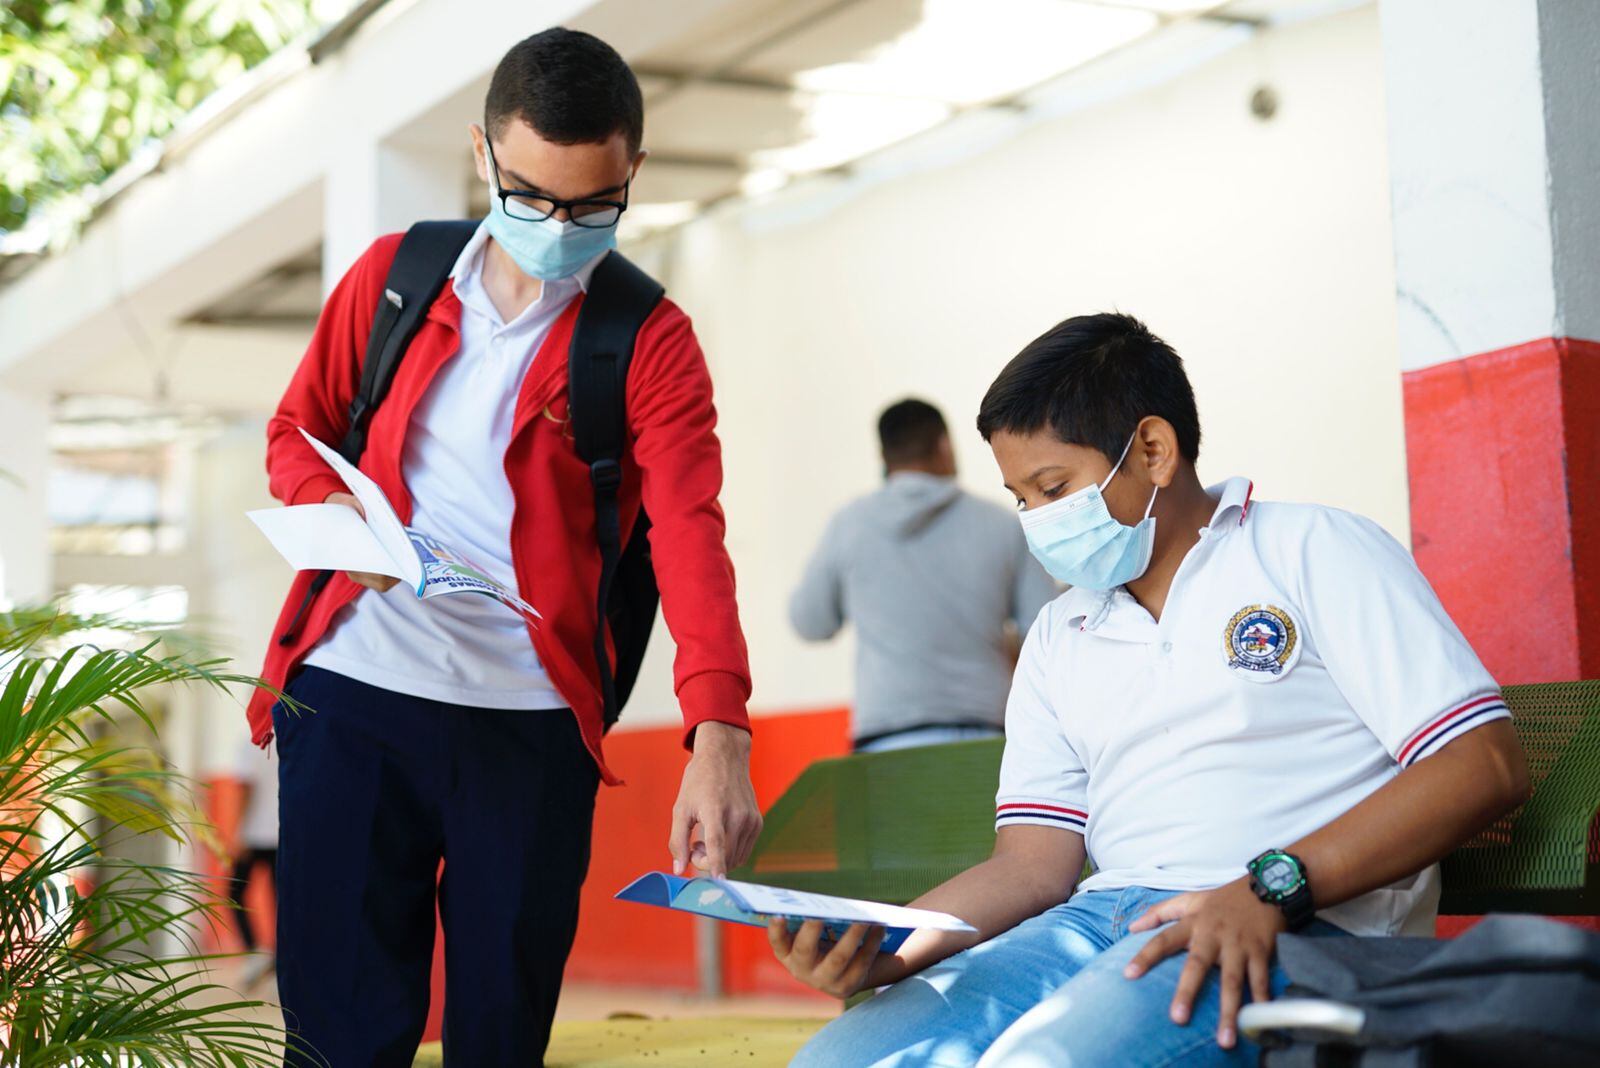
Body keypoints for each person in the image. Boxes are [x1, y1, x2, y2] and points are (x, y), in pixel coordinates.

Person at [769, 313, 1531, 1066]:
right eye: (1021, 498)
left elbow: (1484, 765)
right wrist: (889, 948)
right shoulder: (1060, 633)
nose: (1037, 521)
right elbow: (1030, 866)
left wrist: (1269, 888)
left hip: (1296, 926)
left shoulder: (1311, 550)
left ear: (1154, 452)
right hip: (1094, 929)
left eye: (1053, 487)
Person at [245, 28, 761, 1067]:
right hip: (355, 697)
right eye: (530, 198)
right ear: (483, 153)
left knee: (499, 1038)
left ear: (633, 170)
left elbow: (689, 534)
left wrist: (720, 734)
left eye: (593, 207)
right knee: (337, 1043)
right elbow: (295, 434)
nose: (559, 229)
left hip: (526, 731)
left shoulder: (648, 341)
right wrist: (345, 521)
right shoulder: (394, 279)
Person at [789, 398, 1057, 752]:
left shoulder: (850, 524)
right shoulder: (1001, 524)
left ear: (884, 456)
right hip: (986, 735)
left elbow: (809, 623)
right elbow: (1045, 630)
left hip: (884, 738)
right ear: (944, 446)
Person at [227, 734, 278, 991]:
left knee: (234, 893)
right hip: (285, 834)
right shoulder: (291, 737)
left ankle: (255, 952)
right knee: (282, 901)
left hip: (255, 834)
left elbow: (246, 787)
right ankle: (278, 961)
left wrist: (239, 832)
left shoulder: (253, 742)